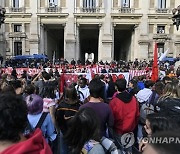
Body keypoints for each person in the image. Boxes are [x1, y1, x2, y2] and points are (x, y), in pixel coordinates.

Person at [55, 85, 81, 154]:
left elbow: (58, 119)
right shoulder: (79, 106)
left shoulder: (61, 105)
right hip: (75, 132)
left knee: (63, 150)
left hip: (65, 131)